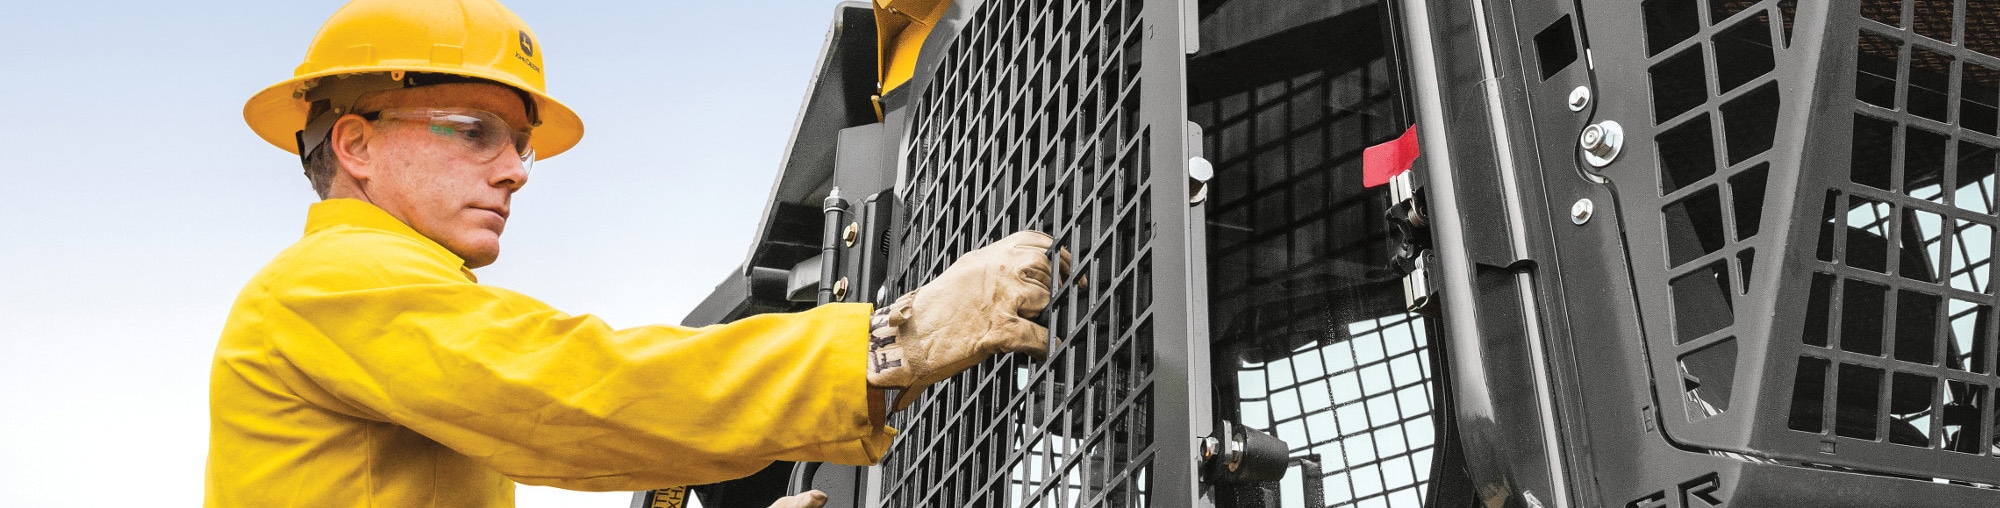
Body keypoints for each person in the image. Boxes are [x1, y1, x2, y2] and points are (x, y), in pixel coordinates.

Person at [207, 1, 1065, 506]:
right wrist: (888, 344)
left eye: (519, 145)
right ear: (355, 144)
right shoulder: (329, 285)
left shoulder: (379, 310)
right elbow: (577, 393)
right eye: (474, 133)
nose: (514, 172)